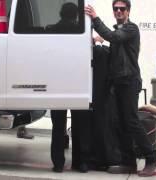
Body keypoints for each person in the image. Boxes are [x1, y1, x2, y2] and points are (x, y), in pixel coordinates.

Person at [85, 0, 156, 177]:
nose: (118, 11)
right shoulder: (119, 31)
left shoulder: (131, 29)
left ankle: (152, 158)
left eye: (122, 9)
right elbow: (115, 51)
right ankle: (128, 163)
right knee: (121, 123)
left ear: (128, 11)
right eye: (116, 9)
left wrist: (95, 19)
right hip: (119, 82)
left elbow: (114, 37)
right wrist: (97, 42)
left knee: (132, 121)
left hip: (129, 81)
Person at [49, 3, 91, 173]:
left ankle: (58, 163)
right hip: (77, 82)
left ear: (60, 14)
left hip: (56, 82)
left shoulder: (50, 30)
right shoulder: (81, 31)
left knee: (58, 125)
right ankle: (80, 163)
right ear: (75, 16)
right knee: (80, 124)